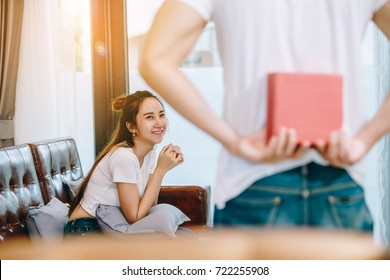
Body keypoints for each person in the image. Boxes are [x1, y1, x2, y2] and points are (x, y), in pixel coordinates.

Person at [139, 0, 390, 231]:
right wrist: (365, 139)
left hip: (254, 180)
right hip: (339, 180)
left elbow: (155, 60)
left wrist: (234, 141)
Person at [64, 90, 184, 237]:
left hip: (110, 225)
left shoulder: (150, 154)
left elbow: (149, 206)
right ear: (131, 127)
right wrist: (161, 170)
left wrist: (161, 169)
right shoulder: (124, 157)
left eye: (162, 115)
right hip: (84, 229)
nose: (159, 123)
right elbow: (134, 217)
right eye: (149, 117)